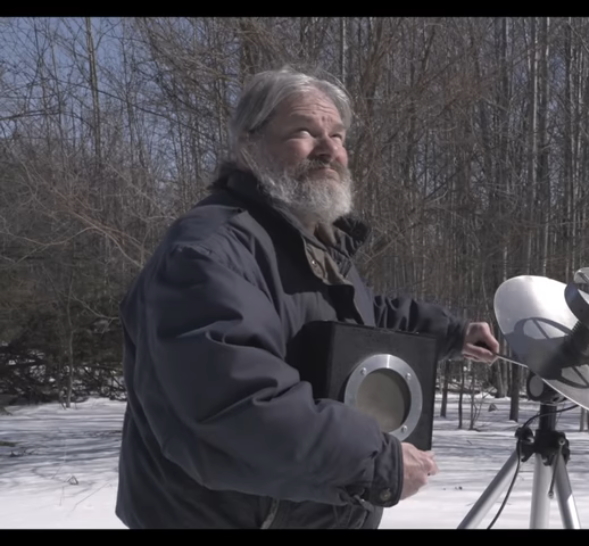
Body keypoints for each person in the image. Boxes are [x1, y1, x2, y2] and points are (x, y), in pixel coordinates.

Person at [113, 65, 501, 529]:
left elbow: (357, 317)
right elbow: (237, 407)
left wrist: (452, 334)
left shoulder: (309, 238)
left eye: (337, 136)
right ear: (247, 147)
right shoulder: (208, 252)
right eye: (304, 132)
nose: (329, 150)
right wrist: (377, 462)